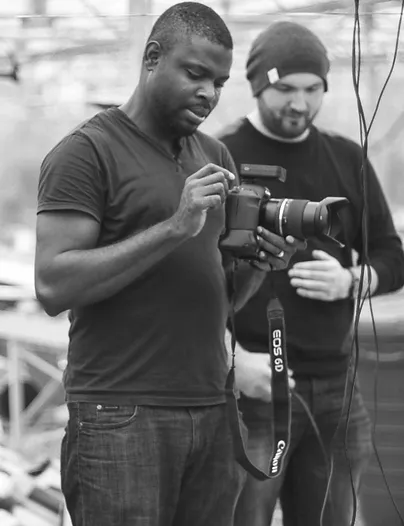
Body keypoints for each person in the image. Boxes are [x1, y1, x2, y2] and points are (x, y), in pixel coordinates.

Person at [34, 4, 301, 526]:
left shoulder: (215, 157)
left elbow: (220, 297)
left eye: (220, 82)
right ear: (153, 58)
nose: (209, 93)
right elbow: (51, 284)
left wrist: (260, 265)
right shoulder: (87, 153)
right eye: (196, 74)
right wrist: (176, 226)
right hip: (121, 417)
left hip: (212, 410)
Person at [218, 20, 404, 526]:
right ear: (258, 86)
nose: (299, 103)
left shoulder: (346, 157)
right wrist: (230, 361)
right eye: (284, 89)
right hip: (255, 388)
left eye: (312, 88)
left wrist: (353, 280)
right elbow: (189, 280)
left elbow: (392, 256)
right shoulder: (220, 156)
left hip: (337, 388)